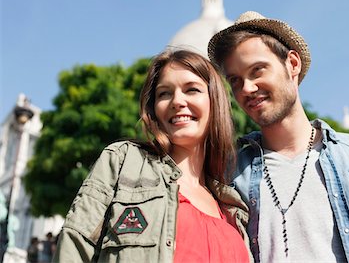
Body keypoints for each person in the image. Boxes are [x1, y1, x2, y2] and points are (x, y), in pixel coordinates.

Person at [208, 11, 349, 262]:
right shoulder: (228, 174)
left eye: (258, 70)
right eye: (236, 81)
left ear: (292, 64)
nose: (247, 88)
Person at [53, 50, 251, 262]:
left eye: (191, 89)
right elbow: (74, 247)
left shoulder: (233, 207)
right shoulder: (123, 160)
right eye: (164, 93)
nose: (177, 101)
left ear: (215, 102)